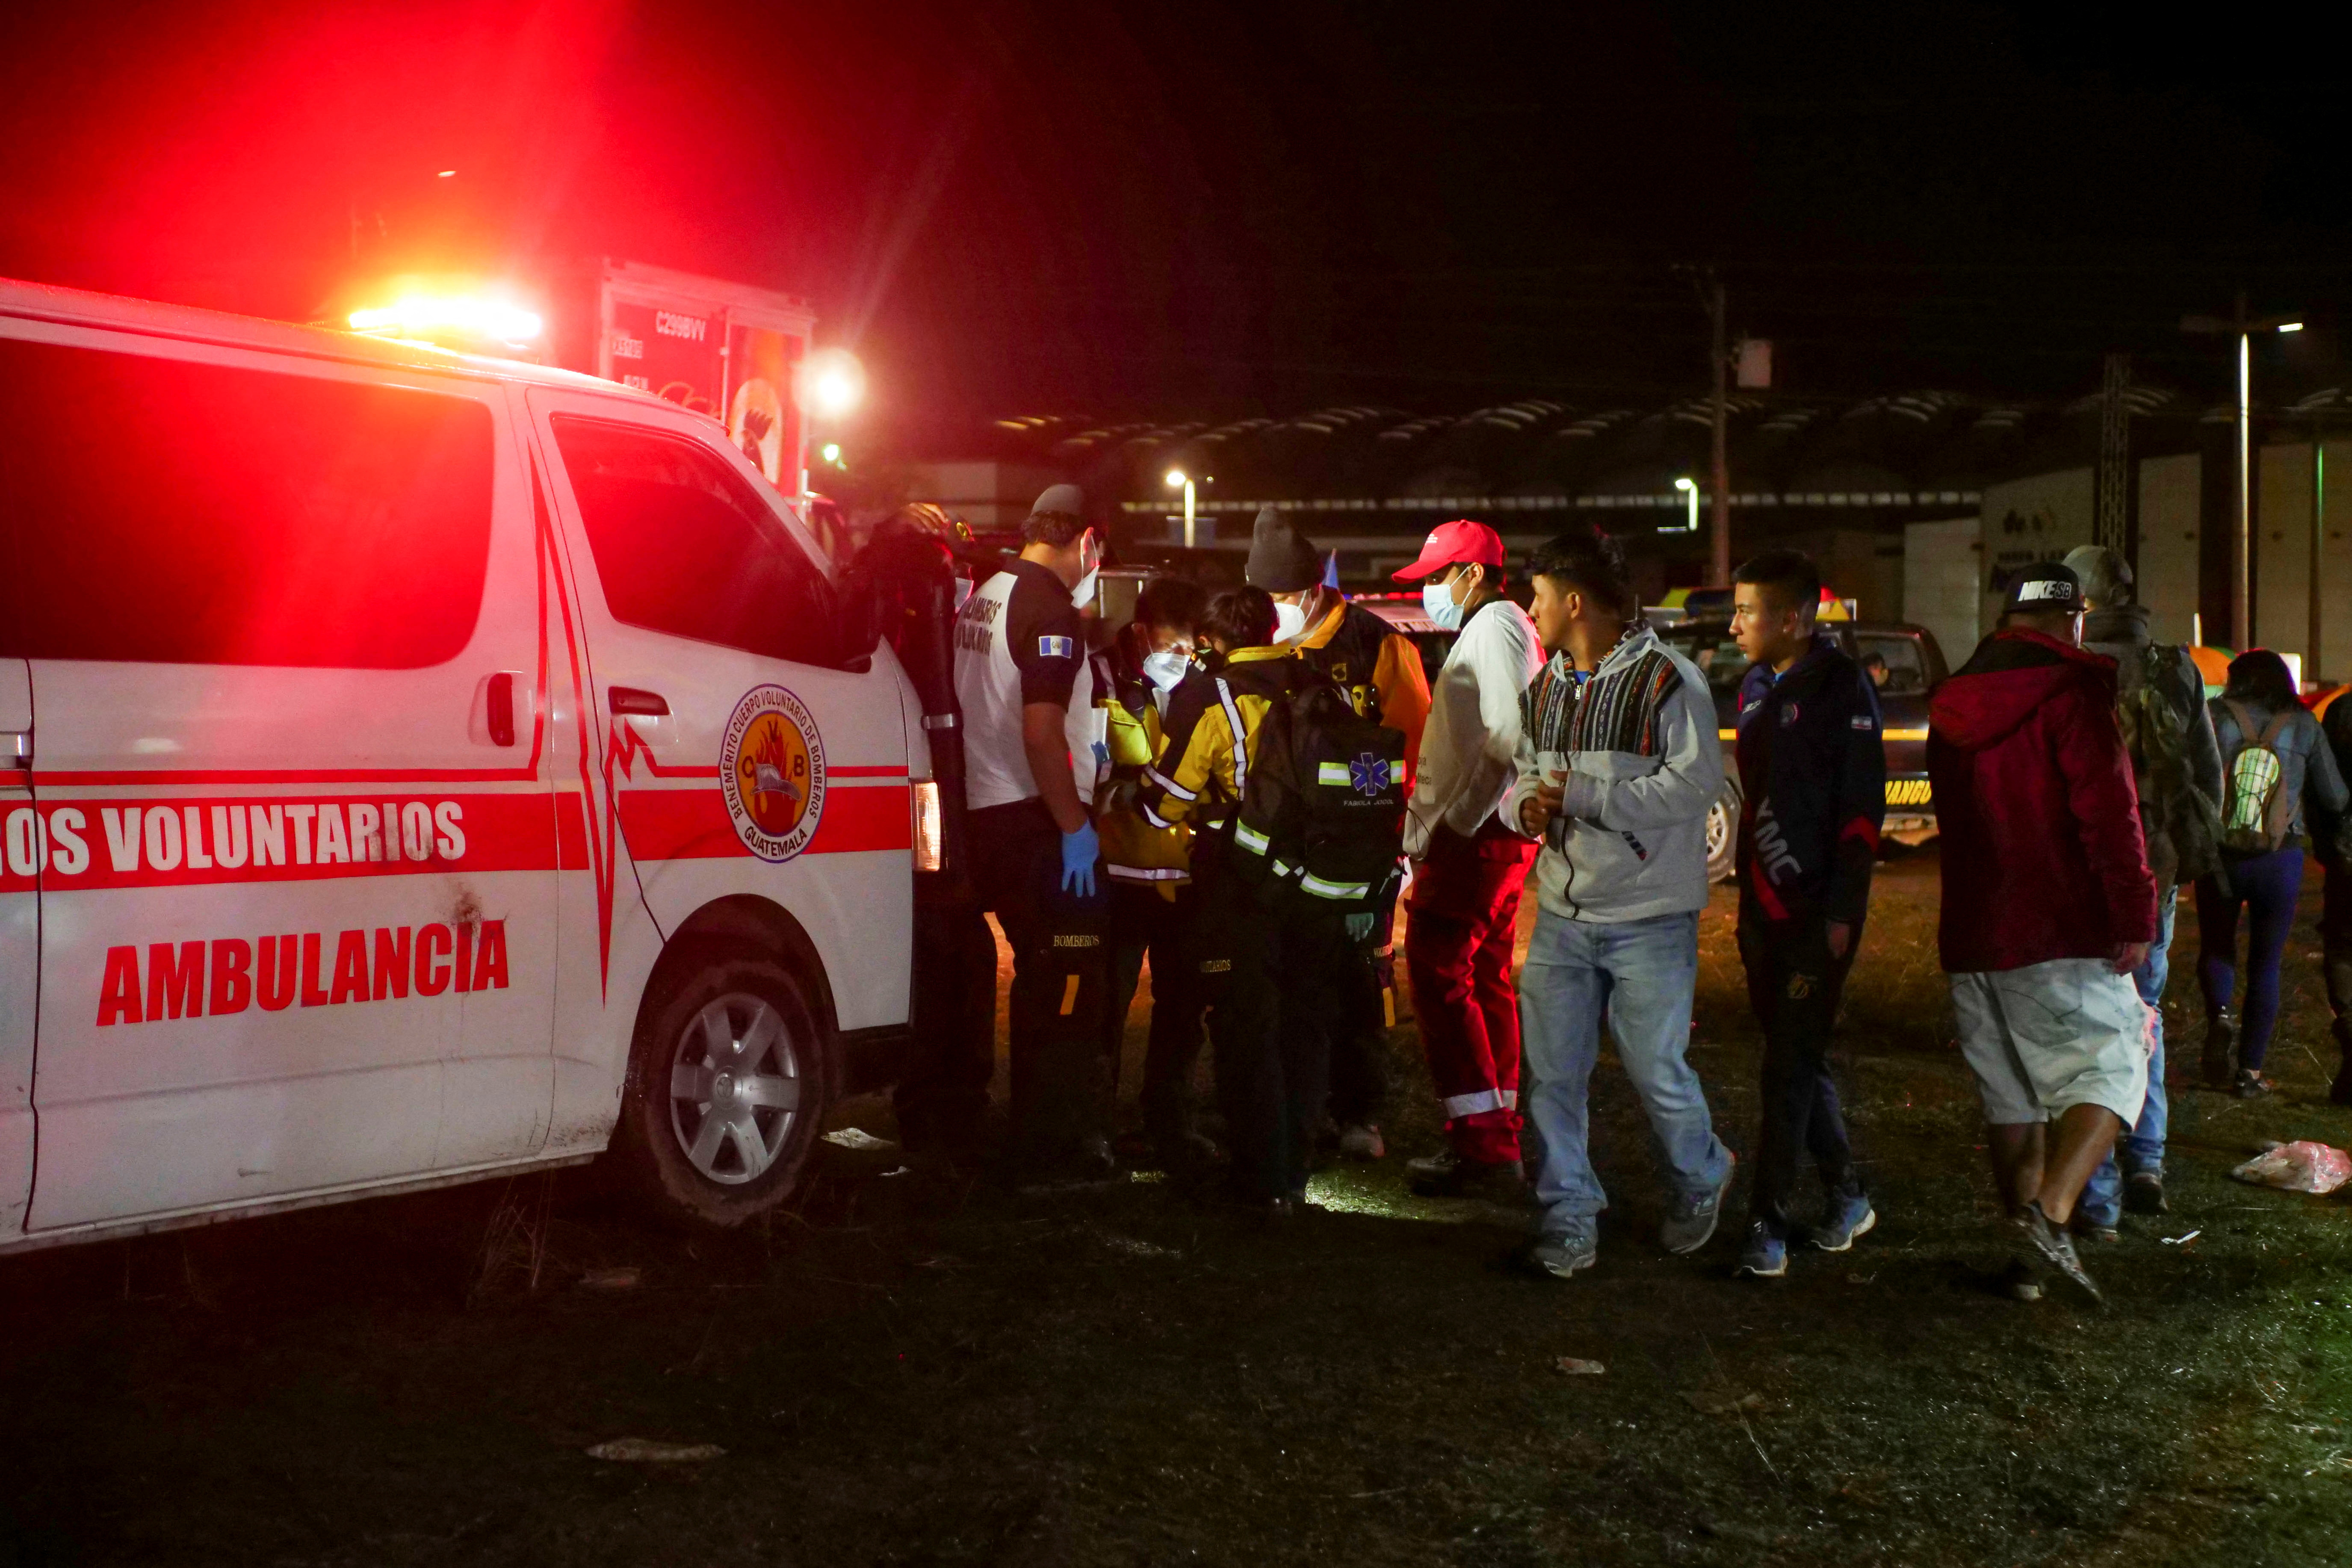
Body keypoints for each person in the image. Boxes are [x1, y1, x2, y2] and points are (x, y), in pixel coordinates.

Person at [1503, 527, 1735, 1278]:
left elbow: (1695, 787)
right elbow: (1522, 777)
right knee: (1550, 1076)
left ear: (1574, 601)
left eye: (1537, 596)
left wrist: (1585, 795)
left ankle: (1703, 1176)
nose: (1529, 609)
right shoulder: (1545, 687)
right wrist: (1523, 811)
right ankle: (1569, 1216)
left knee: (1656, 1069)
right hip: (1565, 920)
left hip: (1650, 919)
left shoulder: (1670, 681)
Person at [1927, 562, 2156, 1303]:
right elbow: (2109, 813)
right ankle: (2052, 1215)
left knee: (2013, 1098)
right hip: (2058, 924)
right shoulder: (2074, 690)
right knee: (2116, 1064)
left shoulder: (1955, 697)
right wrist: (2133, 913)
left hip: (1974, 927)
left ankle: (2027, 1266)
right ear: (2074, 620)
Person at [1139, 587, 1341, 1213]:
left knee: (1244, 1025)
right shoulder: (1316, 681)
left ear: (1211, 639)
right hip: (1315, 877)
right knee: (1304, 1021)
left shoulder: (1211, 693)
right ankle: (1299, 1165)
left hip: (1240, 879)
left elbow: (1165, 799)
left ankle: (1260, 1179)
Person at [1246, 506, 1431, 1159]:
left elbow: (1412, 744)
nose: (1279, 608)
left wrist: (1396, 842)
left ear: (1312, 587)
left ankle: (1359, 1111)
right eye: (1267, 598)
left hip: (1357, 851)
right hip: (1284, 851)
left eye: (1285, 596)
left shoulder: (1377, 644)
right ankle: (1299, 1104)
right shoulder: (1259, 642)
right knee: (1289, 986)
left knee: (1361, 981)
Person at [1722, 549, 1885, 1281]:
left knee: (1784, 1066)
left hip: (1817, 912)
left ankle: (1767, 1220)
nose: (1733, 626)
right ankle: (1849, 1191)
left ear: (1791, 619)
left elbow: (1861, 807)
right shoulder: (1756, 684)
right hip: (1761, 906)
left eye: (1745, 611)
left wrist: (1843, 909)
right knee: (1796, 1053)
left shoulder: (1840, 686)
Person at [947, 483, 1113, 1181]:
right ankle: (1050, 1146)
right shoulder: (1050, 606)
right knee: (1065, 982)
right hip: (1033, 817)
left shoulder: (989, 590)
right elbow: (1043, 732)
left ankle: (1024, 1133)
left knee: (1036, 979)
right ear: (1088, 540)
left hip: (984, 809)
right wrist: (1074, 825)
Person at [2062, 544, 2222, 1231]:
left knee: (2084, 1029)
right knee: (2145, 1014)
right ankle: (2147, 1160)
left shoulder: (2068, 669)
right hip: (2155, 871)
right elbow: (2208, 775)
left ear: (2084, 601)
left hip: (2084, 871)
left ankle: (2092, 1187)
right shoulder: (2175, 666)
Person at [1383, 520, 1544, 1199]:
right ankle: (1496, 1129)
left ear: (1472, 574)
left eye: (1435, 577)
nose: (1428, 592)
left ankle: (1484, 1145)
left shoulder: (1496, 627)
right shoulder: (1498, 626)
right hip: (1494, 836)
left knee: (1439, 972)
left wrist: (1456, 822)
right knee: (1481, 978)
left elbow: (1511, 732)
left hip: (1477, 839)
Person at [1092, 574, 1216, 1168]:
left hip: (1184, 876)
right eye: (1171, 646)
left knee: (1182, 1008)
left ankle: (1170, 1123)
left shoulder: (1207, 684)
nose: (1182, 659)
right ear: (1141, 633)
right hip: (1115, 874)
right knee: (1102, 1010)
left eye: (1192, 648)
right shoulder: (1097, 675)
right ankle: (1093, 1127)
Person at [2198, 648, 2349, 1098]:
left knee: (2216, 945)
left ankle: (2220, 1016)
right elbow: (2335, 797)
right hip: (2279, 859)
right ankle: (2250, 1073)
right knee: (2266, 961)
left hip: (2218, 856)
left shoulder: (2212, 715)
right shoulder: (2303, 724)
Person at [2316, 694, 2352, 1104]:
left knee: (2343, 947)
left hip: (2347, 853)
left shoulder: (2342, 712)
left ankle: (2351, 1028)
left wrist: (2329, 845)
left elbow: (2323, 786)